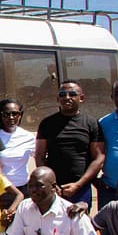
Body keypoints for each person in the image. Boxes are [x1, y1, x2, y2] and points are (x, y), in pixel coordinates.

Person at [35, 80, 104, 208]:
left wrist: (78, 184)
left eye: (72, 94)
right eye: (62, 94)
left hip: (81, 189)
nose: (67, 97)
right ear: (58, 99)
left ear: (81, 98)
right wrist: (52, 185)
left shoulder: (92, 123)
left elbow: (99, 158)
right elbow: (39, 156)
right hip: (53, 190)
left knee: (79, 220)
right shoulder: (47, 123)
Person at [0, 98, 35, 196]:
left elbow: (40, 158)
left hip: (24, 187)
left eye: (15, 113)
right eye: (7, 114)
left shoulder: (28, 137)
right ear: (1, 116)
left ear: (20, 115)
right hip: (1, 189)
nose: (11, 117)